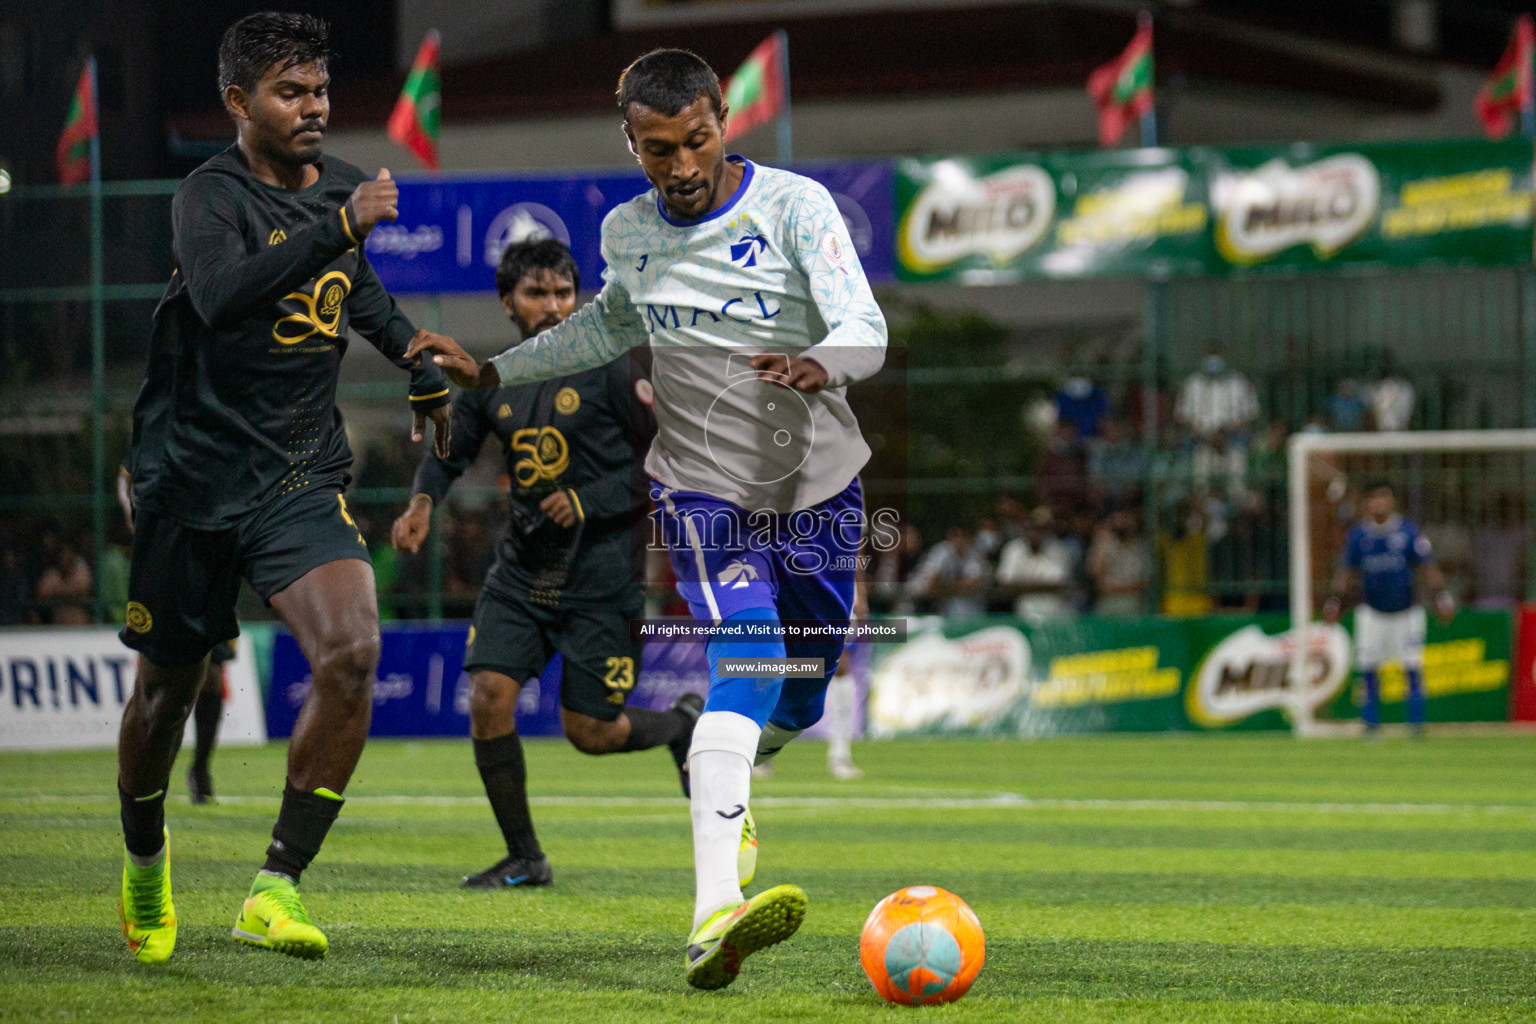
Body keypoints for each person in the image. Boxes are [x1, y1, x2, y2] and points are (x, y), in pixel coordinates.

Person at [407, 49, 886, 990]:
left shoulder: (794, 207)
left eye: (696, 141)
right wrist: (493, 371)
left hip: (817, 482)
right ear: (630, 139)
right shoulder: (629, 231)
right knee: (747, 650)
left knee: (805, 687)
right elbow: (609, 324)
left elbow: (864, 324)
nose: (680, 165)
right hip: (703, 486)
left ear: (722, 120)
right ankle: (714, 916)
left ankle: (732, 774)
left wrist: (821, 364)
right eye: (658, 148)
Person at [114, 12, 455, 965]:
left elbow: (361, 294)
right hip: (188, 479)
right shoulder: (206, 197)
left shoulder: (341, 189)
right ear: (238, 102)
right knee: (163, 700)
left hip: (297, 474)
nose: (313, 109)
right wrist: (339, 224)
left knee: (352, 651)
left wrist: (416, 360)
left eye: (320, 91)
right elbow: (224, 294)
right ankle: (146, 857)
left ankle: (275, 886)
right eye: (289, 93)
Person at [391, 238, 702, 891]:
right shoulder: (491, 379)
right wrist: (422, 502)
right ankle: (525, 857)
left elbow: (671, 461)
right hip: (523, 574)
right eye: (537, 294)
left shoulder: (616, 364)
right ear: (509, 303)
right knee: (488, 696)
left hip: (602, 578)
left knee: (590, 731)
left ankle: (682, 726)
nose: (554, 306)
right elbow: (450, 452)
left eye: (564, 293)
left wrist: (588, 499)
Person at [1324, 480, 1454, 735]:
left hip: (1406, 611)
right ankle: (1371, 725)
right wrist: (1335, 601)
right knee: (1368, 668)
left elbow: (1428, 567)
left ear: (1391, 501)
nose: (1378, 503)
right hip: (1371, 612)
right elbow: (1346, 571)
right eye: (1373, 498)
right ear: (1367, 504)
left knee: (1412, 667)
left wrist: (1442, 597)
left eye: (1383, 497)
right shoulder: (1359, 535)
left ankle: (1416, 725)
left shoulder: (1407, 532)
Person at [995, 506, 1074, 623]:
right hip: (1023, 615)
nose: (1035, 533)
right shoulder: (1014, 549)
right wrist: (1043, 586)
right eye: (1032, 528)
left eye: (1040, 529)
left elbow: (1061, 585)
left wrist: (1023, 585)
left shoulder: (1058, 550)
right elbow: (1005, 585)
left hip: (1056, 615)